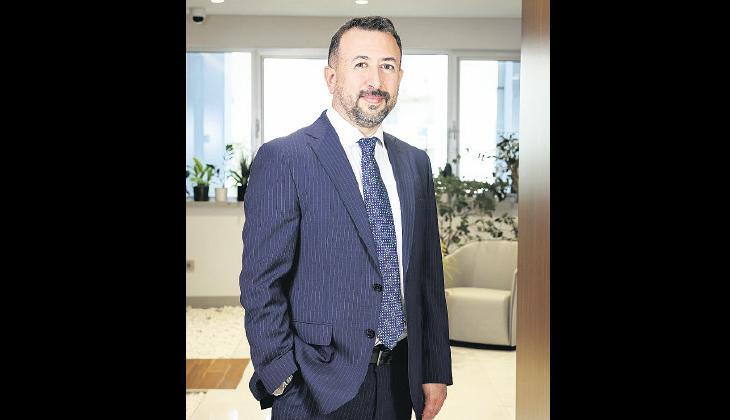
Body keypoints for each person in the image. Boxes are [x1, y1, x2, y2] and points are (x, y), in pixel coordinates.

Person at [239, 16, 452, 420]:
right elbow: (261, 283)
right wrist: (282, 377)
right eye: (360, 64)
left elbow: (428, 277)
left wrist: (434, 368)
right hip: (313, 386)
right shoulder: (285, 158)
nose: (375, 80)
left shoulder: (415, 163)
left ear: (400, 77)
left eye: (387, 66)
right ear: (331, 76)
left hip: (398, 381)